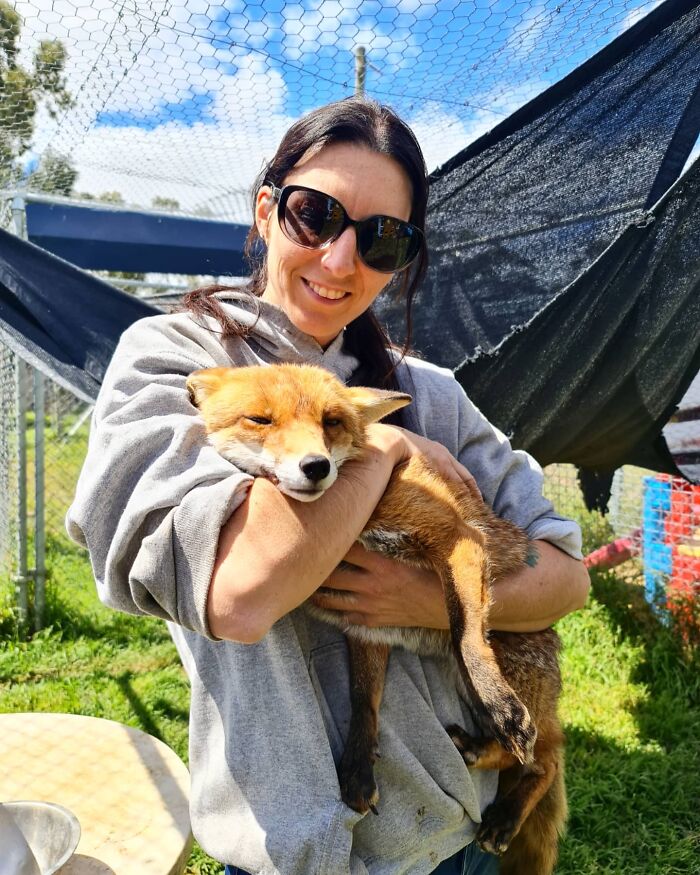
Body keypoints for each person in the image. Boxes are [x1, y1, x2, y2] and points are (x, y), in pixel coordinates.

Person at [66, 97, 589, 875]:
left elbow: (567, 573)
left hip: (449, 828)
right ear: (267, 208)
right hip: (285, 844)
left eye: (382, 239)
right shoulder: (181, 364)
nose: (342, 262)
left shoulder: (433, 392)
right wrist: (372, 442)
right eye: (315, 215)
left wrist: (423, 602)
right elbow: (238, 594)